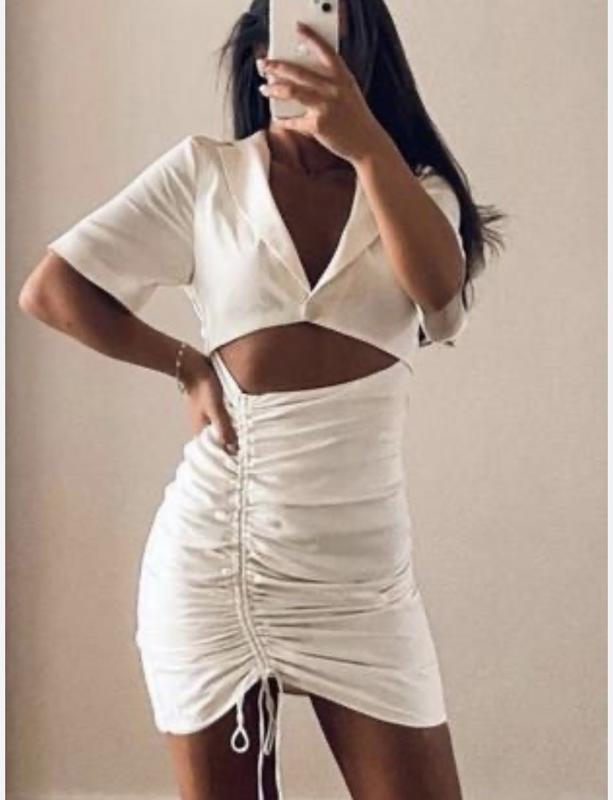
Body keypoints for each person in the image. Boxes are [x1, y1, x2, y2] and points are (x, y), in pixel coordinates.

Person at [19, 1, 505, 798]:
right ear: (258, 53)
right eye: (287, 31)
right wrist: (186, 366)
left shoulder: (414, 189)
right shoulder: (206, 173)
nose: (306, 49)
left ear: (363, 50)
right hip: (216, 562)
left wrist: (366, 146)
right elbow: (52, 289)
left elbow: (441, 302)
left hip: (360, 583)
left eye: (328, 30)